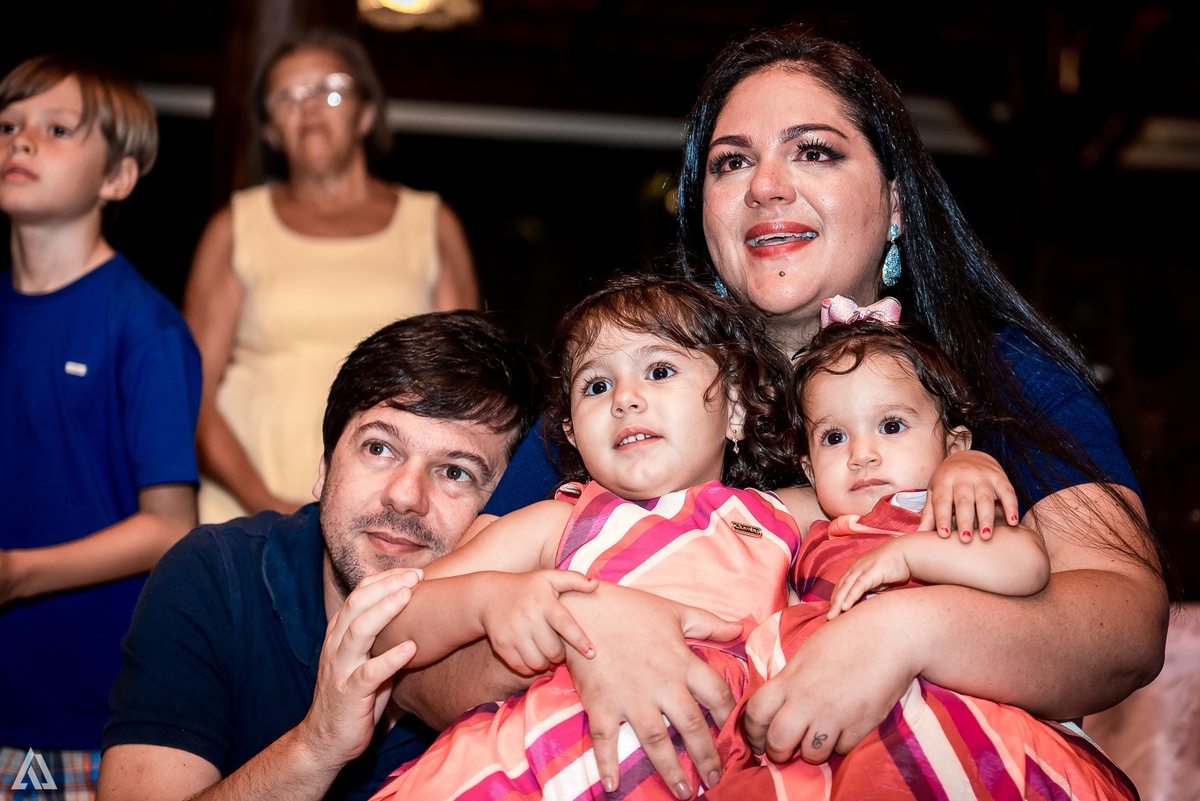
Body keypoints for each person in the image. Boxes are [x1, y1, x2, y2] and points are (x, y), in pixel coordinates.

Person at [400, 22, 1170, 800]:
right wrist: (590, 640)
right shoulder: (626, 403)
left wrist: (906, 632)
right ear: (704, 214)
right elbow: (412, 670)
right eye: (732, 162)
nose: (765, 185)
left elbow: (1124, 624)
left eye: (814, 150)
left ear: (897, 204)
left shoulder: (1000, 372)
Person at [366, 273, 807, 799]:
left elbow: (896, 501)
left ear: (734, 407)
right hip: (522, 772)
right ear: (573, 432)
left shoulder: (782, 518)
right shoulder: (563, 523)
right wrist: (491, 599)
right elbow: (388, 619)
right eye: (597, 386)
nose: (625, 399)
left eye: (659, 370)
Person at [97, 311, 541, 801]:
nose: (404, 496)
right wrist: (317, 747)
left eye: (455, 472)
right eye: (379, 448)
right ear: (325, 468)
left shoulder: (516, 644)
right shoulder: (216, 578)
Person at [709, 300, 1136, 799]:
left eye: (891, 426)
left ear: (954, 447)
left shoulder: (942, 506)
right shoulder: (812, 529)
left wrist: (912, 555)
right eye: (834, 436)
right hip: (821, 719)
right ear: (807, 468)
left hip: (938, 713)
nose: (861, 454)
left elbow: (1025, 564)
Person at [0, 52, 202, 797]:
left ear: (116, 178)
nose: (20, 142)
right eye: (8, 125)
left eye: (55, 129)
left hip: (89, 709)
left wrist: (18, 571)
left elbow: (169, 526)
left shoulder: (143, 327)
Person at [184, 27, 482, 525]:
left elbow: (464, 390)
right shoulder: (235, 226)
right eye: (287, 97)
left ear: (366, 114)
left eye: (331, 89)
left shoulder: (431, 223)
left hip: (390, 513)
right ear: (269, 130)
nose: (309, 107)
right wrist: (264, 504)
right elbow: (191, 392)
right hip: (244, 510)